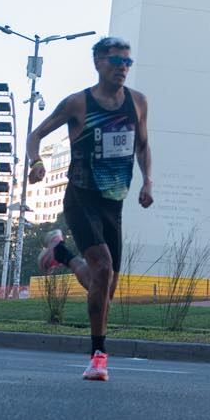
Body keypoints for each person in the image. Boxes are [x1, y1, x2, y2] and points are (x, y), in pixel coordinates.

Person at [28, 36, 154, 382]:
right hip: (81, 197)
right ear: (98, 62)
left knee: (104, 283)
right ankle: (98, 356)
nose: (123, 69)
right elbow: (36, 134)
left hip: (114, 202)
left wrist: (148, 182)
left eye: (128, 62)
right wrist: (37, 162)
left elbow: (143, 145)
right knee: (104, 268)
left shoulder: (138, 102)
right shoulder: (77, 103)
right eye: (116, 62)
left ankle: (61, 253)